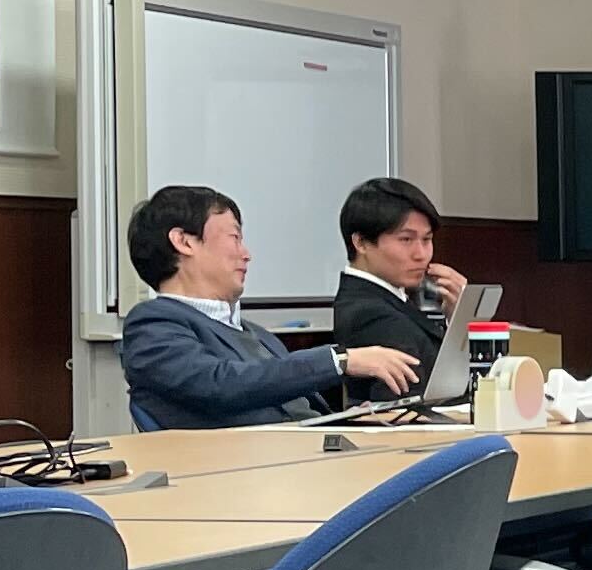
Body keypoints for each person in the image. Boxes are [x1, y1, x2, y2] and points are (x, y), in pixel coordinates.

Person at [118, 183, 417, 430]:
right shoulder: (152, 325)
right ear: (184, 242)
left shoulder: (257, 334)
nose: (246, 254)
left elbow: (297, 412)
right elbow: (218, 385)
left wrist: (353, 421)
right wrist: (339, 360)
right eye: (234, 237)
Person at [326, 175, 472, 395]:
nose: (421, 254)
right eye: (406, 239)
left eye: (427, 239)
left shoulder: (393, 297)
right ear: (361, 243)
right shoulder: (369, 313)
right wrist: (462, 322)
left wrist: (457, 318)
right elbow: (423, 398)